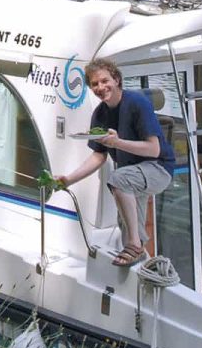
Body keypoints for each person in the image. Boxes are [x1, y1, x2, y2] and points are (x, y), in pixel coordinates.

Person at [53, 57, 174, 267]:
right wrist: (68, 180)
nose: (100, 87)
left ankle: (135, 245)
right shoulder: (99, 115)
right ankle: (142, 263)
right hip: (131, 175)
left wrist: (118, 143)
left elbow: (154, 149)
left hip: (158, 168)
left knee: (118, 179)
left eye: (104, 81)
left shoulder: (137, 103)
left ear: (116, 79)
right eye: (94, 84)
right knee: (125, 226)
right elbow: (99, 156)